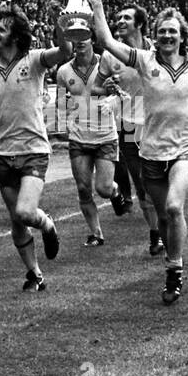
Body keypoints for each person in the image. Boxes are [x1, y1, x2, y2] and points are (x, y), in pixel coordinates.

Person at [90, 0, 188, 304]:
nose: (167, 36)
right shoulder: (143, 61)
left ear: (182, 35)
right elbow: (107, 42)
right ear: (156, 34)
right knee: (163, 217)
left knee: (175, 207)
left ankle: (174, 270)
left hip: (187, 148)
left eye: (173, 31)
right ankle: (170, 255)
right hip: (151, 150)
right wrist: (96, 5)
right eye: (162, 31)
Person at [0, 7, 71, 292]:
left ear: (16, 34)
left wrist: (62, 23)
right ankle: (35, 274)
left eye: (1, 28)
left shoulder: (34, 60)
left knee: (25, 212)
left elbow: (64, 50)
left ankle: (47, 225)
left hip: (34, 149)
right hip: (1, 153)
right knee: (17, 220)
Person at [100, 5, 164, 254]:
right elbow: (97, 88)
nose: (120, 21)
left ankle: (166, 220)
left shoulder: (159, 49)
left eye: (126, 17)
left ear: (140, 24)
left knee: (162, 180)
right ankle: (156, 234)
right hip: (127, 125)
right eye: (118, 17)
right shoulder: (110, 54)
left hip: (158, 121)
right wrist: (106, 86)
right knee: (142, 184)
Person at [56, 37, 125, 246]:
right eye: (74, 37)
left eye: (83, 36)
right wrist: (62, 124)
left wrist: (112, 99)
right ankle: (96, 233)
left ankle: (115, 191)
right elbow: (60, 101)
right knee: (83, 188)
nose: (79, 41)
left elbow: (125, 96)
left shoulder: (108, 65)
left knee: (103, 188)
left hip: (105, 136)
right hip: (78, 137)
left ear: (91, 39)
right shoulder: (63, 72)